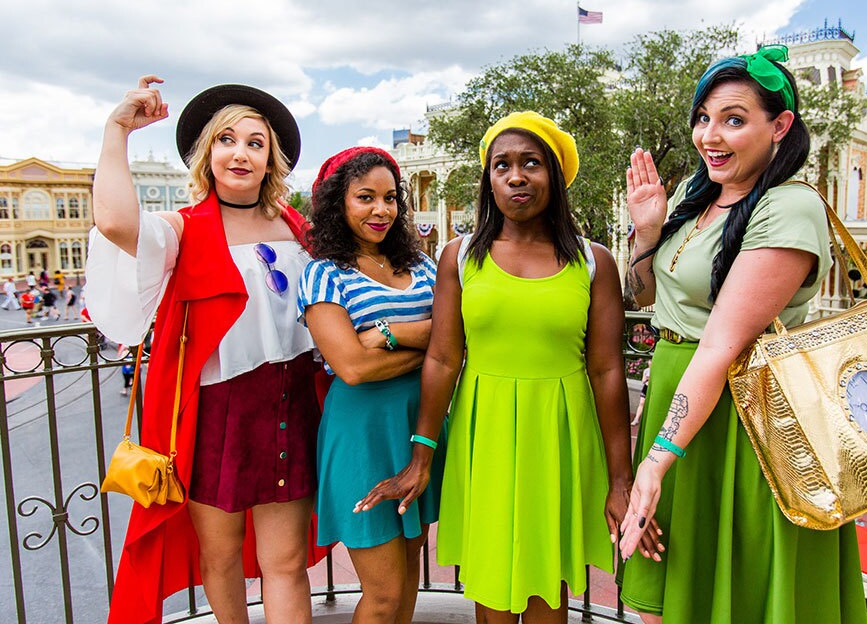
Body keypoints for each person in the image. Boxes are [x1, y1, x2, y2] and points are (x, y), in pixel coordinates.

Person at [358, 112, 660, 622]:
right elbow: (443, 357)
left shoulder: (594, 262)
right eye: (502, 165)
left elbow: (608, 371)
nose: (516, 176)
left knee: (548, 588)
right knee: (492, 588)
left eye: (531, 163)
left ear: (555, 177)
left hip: (560, 438)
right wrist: (422, 456)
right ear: (489, 180)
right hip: (486, 436)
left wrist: (620, 479)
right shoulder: (459, 257)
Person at [616, 45, 867, 623]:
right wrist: (648, 226)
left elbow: (722, 346)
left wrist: (654, 462)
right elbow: (646, 296)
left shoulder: (788, 207)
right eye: (704, 118)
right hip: (680, 403)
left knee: (741, 591)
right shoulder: (692, 197)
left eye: (734, 119)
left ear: (779, 126)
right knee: (668, 588)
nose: (711, 135)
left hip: (747, 418)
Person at [86, 76, 325, 624]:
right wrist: (117, 128)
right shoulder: (182, 229)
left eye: (255, 143)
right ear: (207, 153)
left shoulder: (297, 228)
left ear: (271, 161)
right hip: (215, 415)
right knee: (219, 559)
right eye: (226, 139)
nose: (240, 152)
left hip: (291, 407)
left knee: (285, 563)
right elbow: (117, 221)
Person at [298, 146, 446, 623]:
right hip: (361, 433)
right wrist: (427, 349)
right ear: (338, 203)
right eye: (365, 197)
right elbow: (353, 369)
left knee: (406, 581)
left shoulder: (422, 267)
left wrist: (387, 334)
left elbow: (454, 341)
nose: (381, 210)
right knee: (382, 593)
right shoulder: (323, 273)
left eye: (389, 198)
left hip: (418, 429)